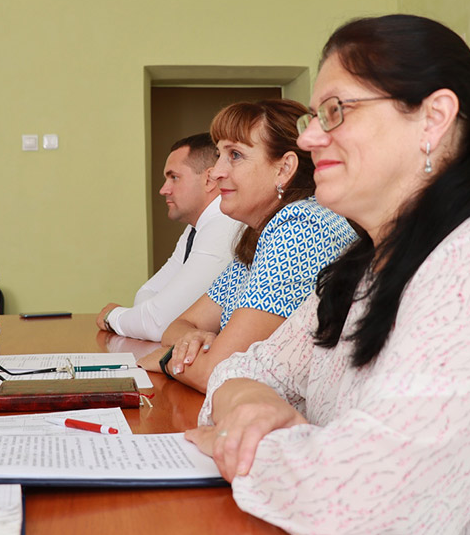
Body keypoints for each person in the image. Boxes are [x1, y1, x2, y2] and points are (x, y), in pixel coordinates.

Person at [185, 14, 470, 535]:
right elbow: (244, 368)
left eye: (335, 111)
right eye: (313, 116)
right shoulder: (364, 268)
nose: (308, 138)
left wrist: (244, 443)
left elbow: (365, 508)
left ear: (433, 118)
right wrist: (249, 404)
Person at [141, 99, 358, 393]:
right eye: (218, 155)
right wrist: (195, 342)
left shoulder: (302, 226)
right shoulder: (260, 234)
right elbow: (179, 326)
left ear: (284, 169)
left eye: (235, 155)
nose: (216, 171)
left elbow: (218, 371)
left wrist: (168, 360)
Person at [96, 133, 241, 341]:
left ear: (209, 180)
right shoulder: (196, 228)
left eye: (174, 177)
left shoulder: (224, 225)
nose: (163, 190)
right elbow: (147, 294)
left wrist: (112, 317)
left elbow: (157, 323)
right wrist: (145, 316)